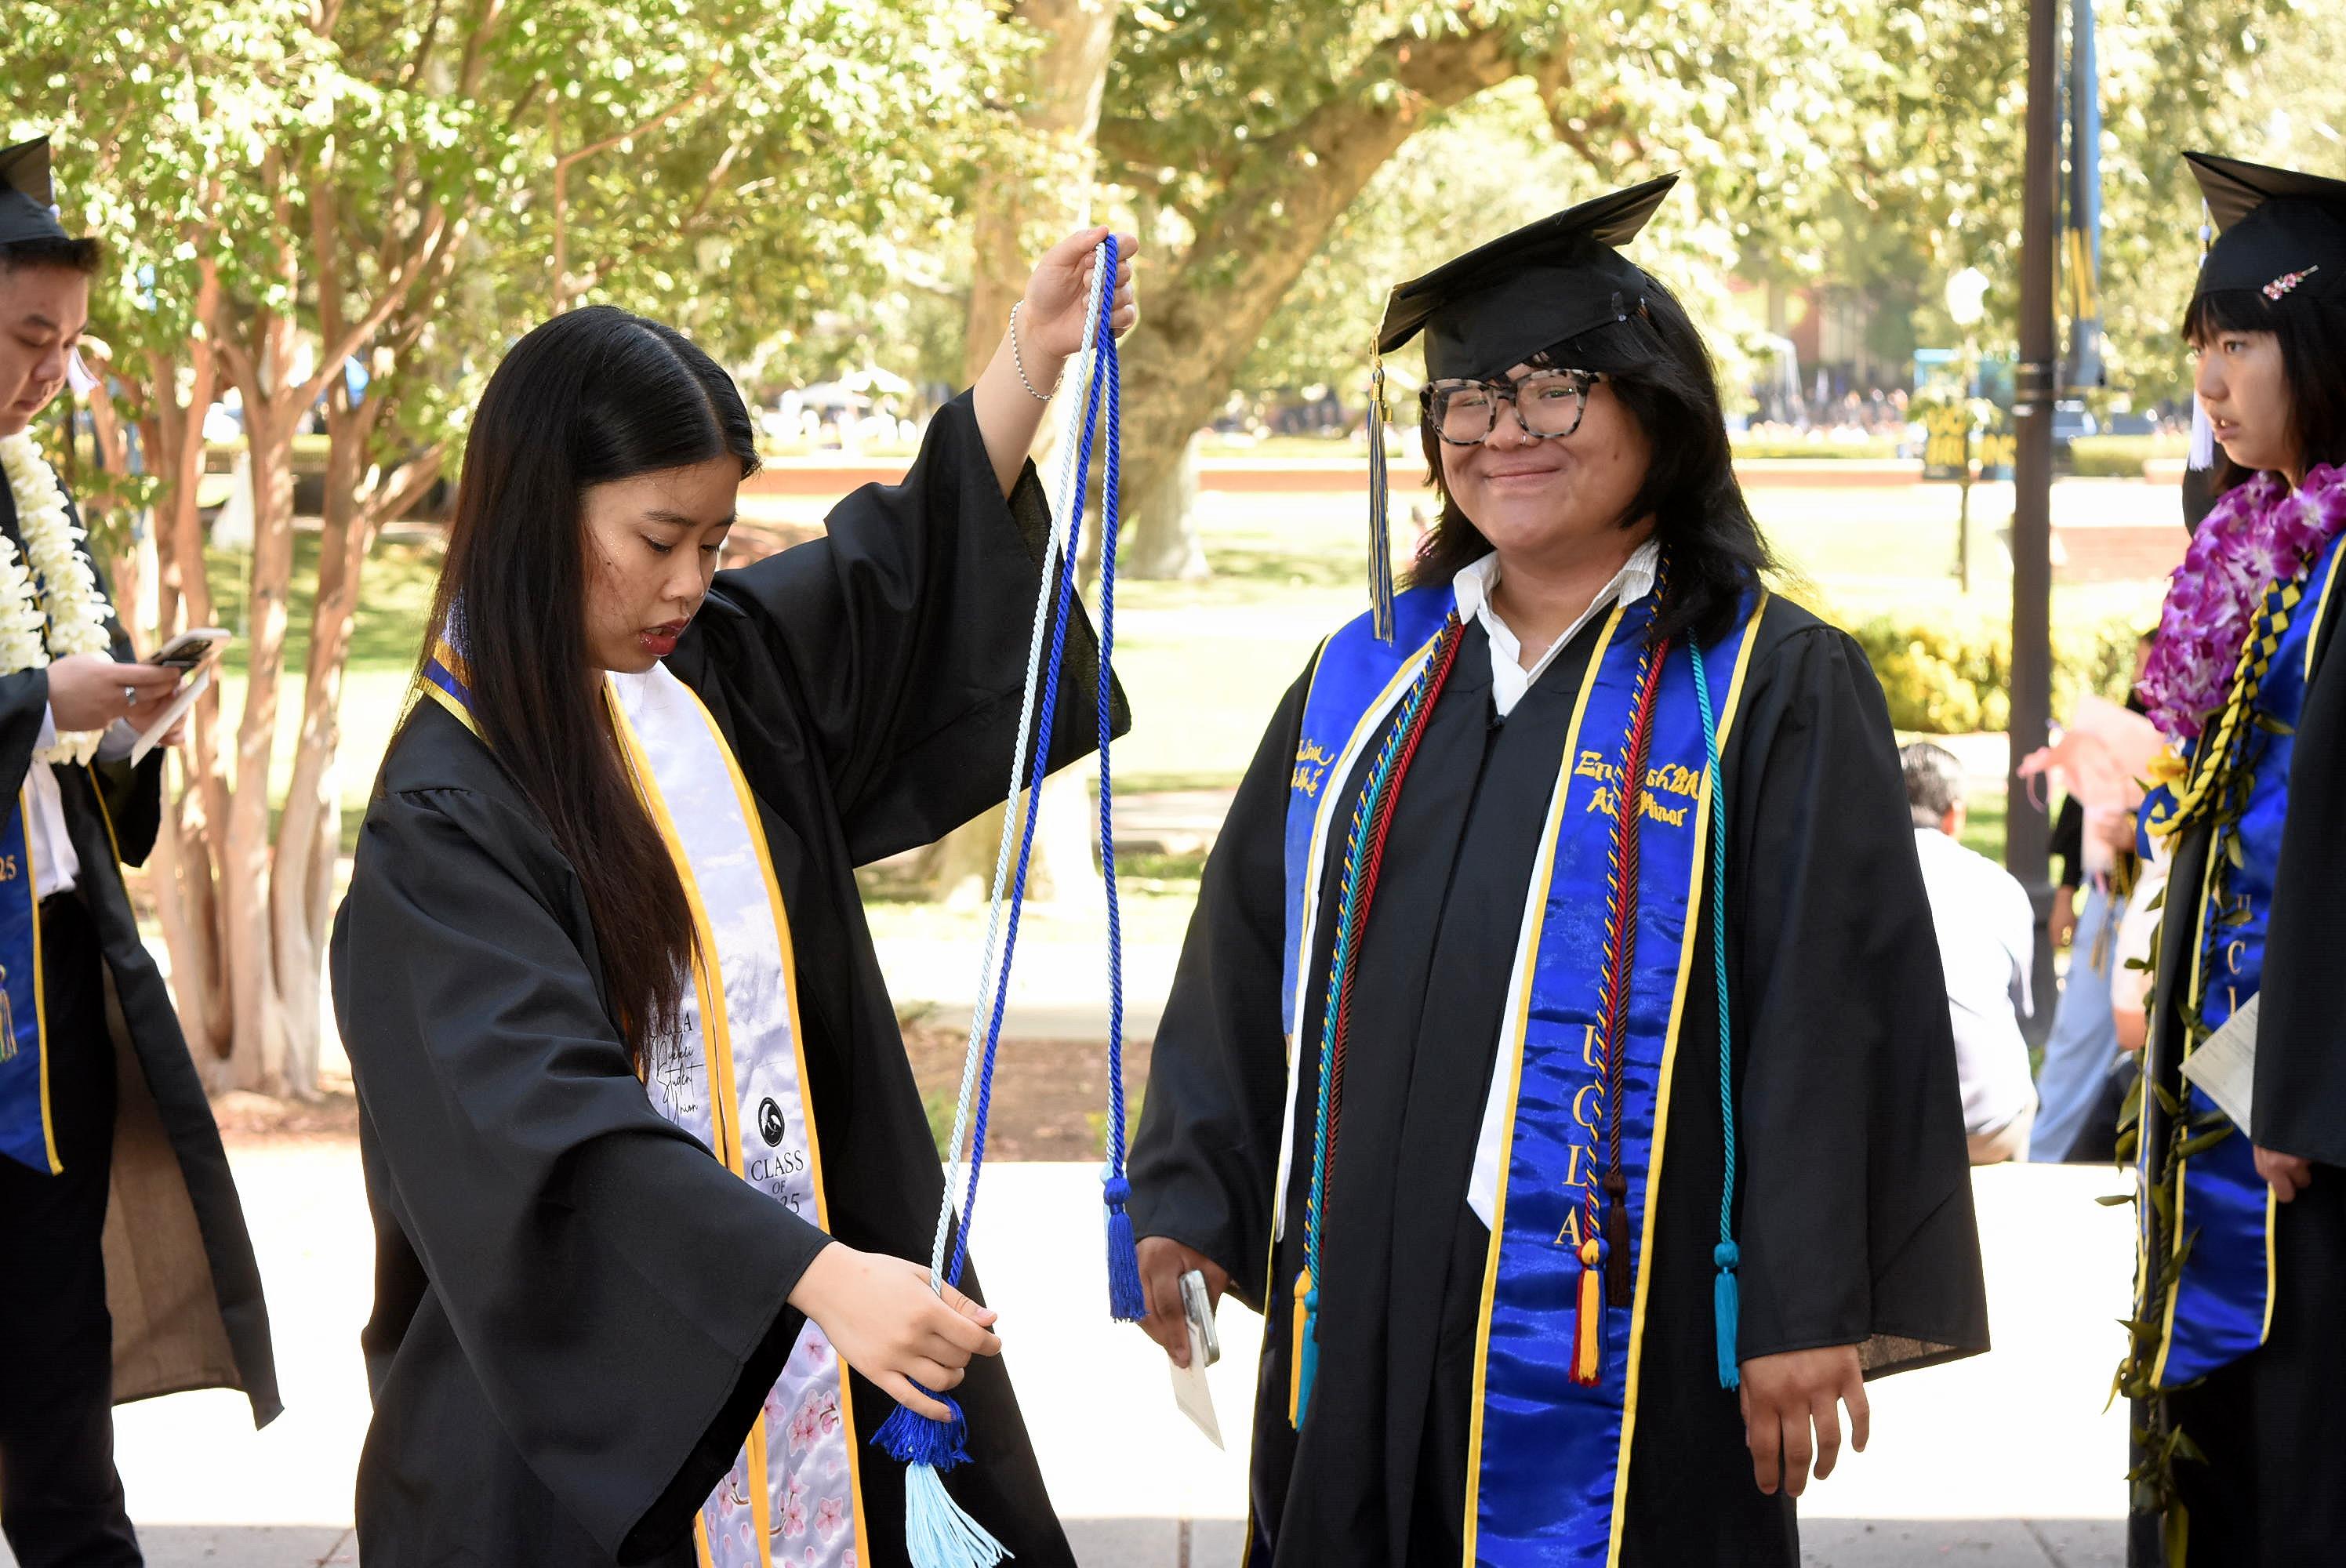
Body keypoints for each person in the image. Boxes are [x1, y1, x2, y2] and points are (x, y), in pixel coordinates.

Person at [1124, 176, 1987, 1566]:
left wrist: (1802, 1295)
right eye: (1465, 400)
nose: (1500, 434)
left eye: (1552, 392)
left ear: (1660, 411)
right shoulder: (1370, 670)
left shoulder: (1765, 683)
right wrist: (1190, 1193)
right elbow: (1243, 943)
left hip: (1629, 1315)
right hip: (1360, 1279)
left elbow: (1833, 1005)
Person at [331, 229, 1135, 1566]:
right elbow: (548, 1128)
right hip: (594, 1431)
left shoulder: (707, 678)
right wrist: (815, 1277)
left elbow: (898, 576)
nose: (689, 583)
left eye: (712, 542)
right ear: (537, 515)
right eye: (657, 539)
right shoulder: (447, 812)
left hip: (820, 1348)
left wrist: (1031, 357)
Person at [0, 137, 280, 1568]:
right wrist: (33, 703)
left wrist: (132, 723)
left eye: (68, 345)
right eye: (27, 338)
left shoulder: (37, 511)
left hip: (48, 999)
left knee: (58, 1357)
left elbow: (80, 781)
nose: (51, 374)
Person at [2116, 151, 2346, 1567]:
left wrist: (2306, 1078)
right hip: (2234, 1079)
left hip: (2310, 1113)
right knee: (2228, 1439)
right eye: (2199, 345)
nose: (2210, 380)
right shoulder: (2263, 543)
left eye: (2241, 343)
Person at [2031, 634, 2154, 1163]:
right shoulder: (2122, 724)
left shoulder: (2196, 730)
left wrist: (2142, 832)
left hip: (2160, 903)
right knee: (2077, 1035)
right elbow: (2079, 812)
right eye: (2140, 665)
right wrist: (2065, 892)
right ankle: (2046, 1153)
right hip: (2108, 904)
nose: (2143, 678)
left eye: (2154, 664)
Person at [1900, 742, 2037, 1164]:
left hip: (1889, 1132)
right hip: (1990, 1124)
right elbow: (2017, 1003)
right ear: (1955, 814)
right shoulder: (2001, 886)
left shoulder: (1849, 884)